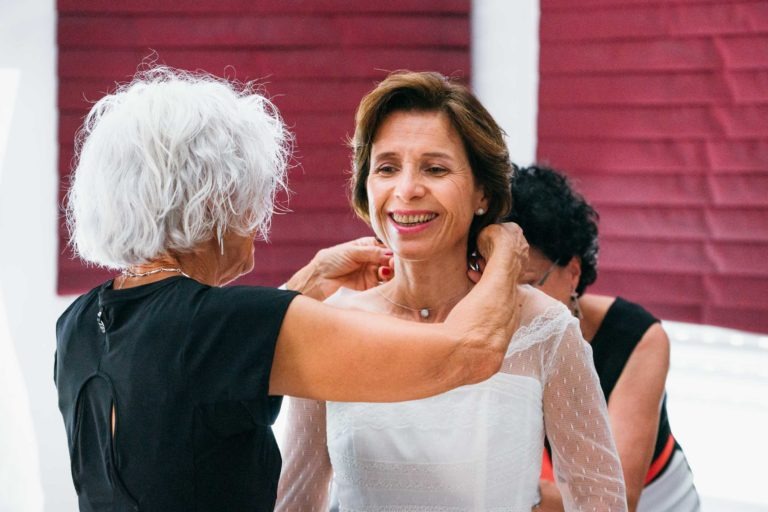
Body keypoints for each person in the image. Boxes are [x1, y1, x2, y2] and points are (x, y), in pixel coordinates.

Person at [54, 66, 530, 512]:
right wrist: (506, 248)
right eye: (254, 197)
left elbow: (195, 374)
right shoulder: (227, 326)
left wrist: (308, 282)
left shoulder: (79, 323)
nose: (257, 219)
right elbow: (471, 350)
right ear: (217, 200)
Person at [276, 71, 627, 511]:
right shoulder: (329, 323)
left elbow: (600, 500)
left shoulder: (543, 327)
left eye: (435, 168)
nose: (407, 190)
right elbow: (296, 499)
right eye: (386, 168)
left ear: (482, 192)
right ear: (367, 186)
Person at [506, 164, 701, 512]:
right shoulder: (483, 326)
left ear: (573, 272)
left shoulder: (638, 339)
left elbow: (617, 498)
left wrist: (495, 484)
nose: (511, 301)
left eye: (529, 283)